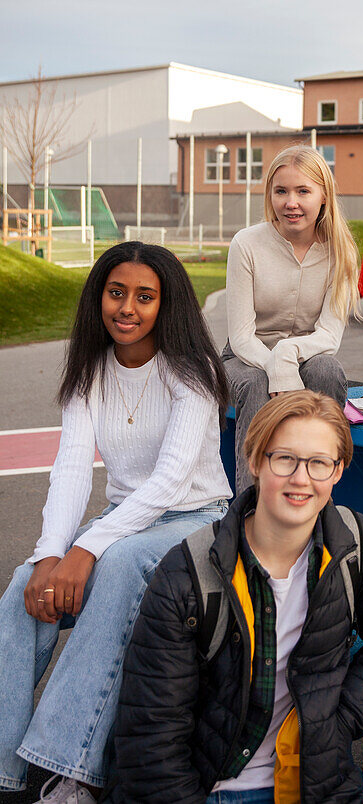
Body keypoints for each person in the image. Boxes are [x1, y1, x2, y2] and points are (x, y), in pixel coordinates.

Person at [112, 389, 363, 803]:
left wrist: (335, 718)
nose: (301, 478)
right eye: (285, 459)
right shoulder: (188, 572)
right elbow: (151, 735)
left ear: (338, 471)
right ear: (255, 462)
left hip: (312, 783)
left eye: (319, 463)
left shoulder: (356, 542)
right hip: (211, 789)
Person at [0, 242, 232, 803]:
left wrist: (90, 550)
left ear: (166, 304)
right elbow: (73, 470)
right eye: (116, 292)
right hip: (123, 519)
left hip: (196, 518)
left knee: (120, 567)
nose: (127, 307)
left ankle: (69, 772)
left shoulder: (191, 370)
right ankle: (5, 771)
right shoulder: (89, 371)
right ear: (98, 297)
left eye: (144, 296)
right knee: (21, 590)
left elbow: (171, 481)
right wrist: (52, 553)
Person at [222, 145, 361, 493]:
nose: (290, 202)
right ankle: (250, 509)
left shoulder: (340, 251)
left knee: (327, 370)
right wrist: (275, 366)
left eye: (303, 191)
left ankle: (321, 493)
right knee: (255, 382)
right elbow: (240, 337)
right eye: (281, 191)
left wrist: (287, 355)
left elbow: (329, 335)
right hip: (243, 358)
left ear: (324, 196)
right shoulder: (246, 244)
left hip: (304, 358)